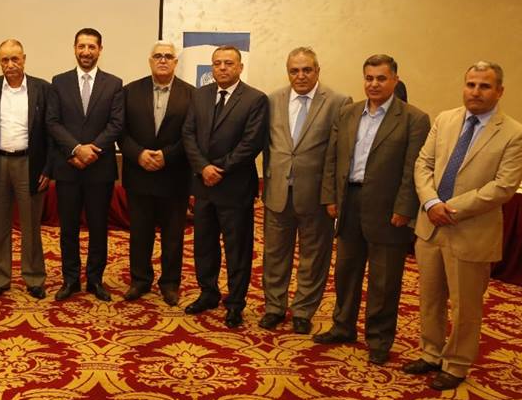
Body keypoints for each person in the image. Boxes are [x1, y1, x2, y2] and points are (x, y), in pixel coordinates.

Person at [403, 61, 522, 390]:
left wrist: (451, 209)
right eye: (471, 84)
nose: (476, 92)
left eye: (484, 86)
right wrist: (431, 203)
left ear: (499, 91)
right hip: (430, 226)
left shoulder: (515, 133)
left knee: (465, 306)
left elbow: (503, 187)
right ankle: (431, 353)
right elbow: (423, 163)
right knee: (430, 298)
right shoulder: (445, 119)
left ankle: (456, 364)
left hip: (471, 231)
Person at [315, 54, 430, 364]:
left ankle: (379, 339)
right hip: (349, 202)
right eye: (369, 78)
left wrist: (405, 208)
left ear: (394, 80)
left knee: (384, 279)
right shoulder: (348, 113)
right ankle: (343, 326)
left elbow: (413, 169)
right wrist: (330, 197)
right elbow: (333, 158)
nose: (374, 84)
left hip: (388, 209)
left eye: (381, 78)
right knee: (346, 272)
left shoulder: (414, 119)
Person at [259, 47, 350, 334]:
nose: (300, 75)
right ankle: (274, 307)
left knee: (314, 257)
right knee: (274, 255)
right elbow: (268, 145)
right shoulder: (272, 100)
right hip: (277, 192)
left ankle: (303, 311)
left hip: (316, 196)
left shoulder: (337, 102)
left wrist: (332, 195)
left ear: (317, 71)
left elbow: (339, 153)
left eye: (306, 70)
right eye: (294, 70)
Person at [182, 45, 267, 328]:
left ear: (240, 67)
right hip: (203, 185)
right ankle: (208, 293)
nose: (222, 68)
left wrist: (219, 168)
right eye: (217, 63)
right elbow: (188, 133)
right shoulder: (199, 95)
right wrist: (202, 167)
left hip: (234, 187)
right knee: (204, 245)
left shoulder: (255, 99)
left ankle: (235, 303)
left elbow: (251, 143)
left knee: (237, 249)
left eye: (228, 63)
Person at [47, 28, 124, 303]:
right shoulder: (59, 82)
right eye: (82, 46)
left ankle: (95, 279)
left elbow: (116, 124)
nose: (86, 52)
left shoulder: (114, 84)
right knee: (68, 228)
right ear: (74, 48)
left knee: (98, 227)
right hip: (68, 167)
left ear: (100, 49)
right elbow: (52, 122)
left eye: (92, 47)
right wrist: (76, 149)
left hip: (99, 168)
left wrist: (92, 150)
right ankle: (70, 280)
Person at [120, 41, 195, 306]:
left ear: (175, 62)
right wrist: (138, 154)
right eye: (158, 56)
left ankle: (170, 283)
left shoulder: (192, 94)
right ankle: (140, 280)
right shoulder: (129, 91)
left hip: (174, 176)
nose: (163, 60)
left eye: (168, 56)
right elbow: (120, 131)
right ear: (150, 60)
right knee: (140, 233)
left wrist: (167, 155)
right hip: (139, 174)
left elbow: (192, 134)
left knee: (173, 236)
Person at [0, 39, 51, 300]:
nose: (10, 64)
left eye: (15, 59)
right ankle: (0, 278)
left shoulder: (42, 88)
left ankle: (34, 278)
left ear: (24, 59)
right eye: (5, 60)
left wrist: (48, 169)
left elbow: (51, 132)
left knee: (31, 226)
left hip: (29, 164)